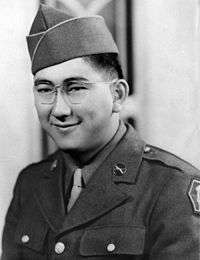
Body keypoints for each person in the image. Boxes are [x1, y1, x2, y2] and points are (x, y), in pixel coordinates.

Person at [1, 4, 200, 260]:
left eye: (75, 88)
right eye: (44, 89)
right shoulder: (30, 184)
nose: (59, 109)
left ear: (117, 95)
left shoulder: (173, 187)